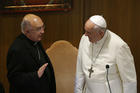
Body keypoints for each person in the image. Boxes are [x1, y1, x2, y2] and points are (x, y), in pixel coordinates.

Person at [74, 15, 137, 93]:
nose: (85, 34)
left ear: (100, 33)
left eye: (89, 32)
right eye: (85, 31)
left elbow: (129, 80)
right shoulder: (84, 39)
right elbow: (79, 70)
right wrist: (77, 91)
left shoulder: (119, 46)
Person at [7, 14, 56, 93]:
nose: (42, 31)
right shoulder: (17, 49)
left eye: (43, 27)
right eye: (38, 29)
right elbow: (14, 78)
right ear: (27, 31)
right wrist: (36, 75)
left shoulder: (35, 41)